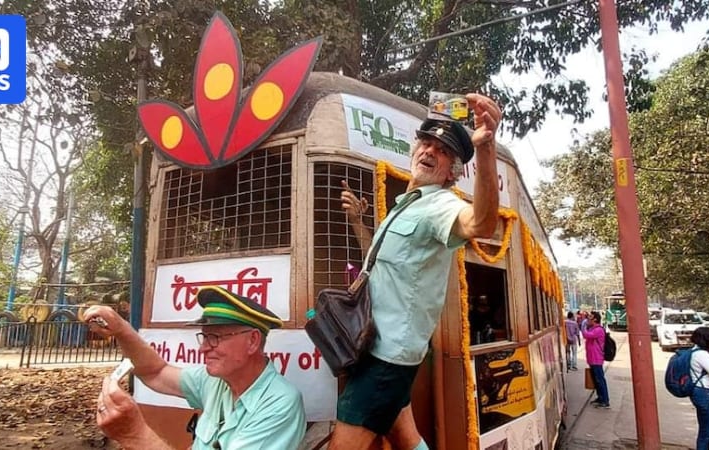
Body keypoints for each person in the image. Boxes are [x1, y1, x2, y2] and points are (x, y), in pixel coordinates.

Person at [335, 93, 502, 450]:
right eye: (425, 143)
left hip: (386, 357)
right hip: (377, 347)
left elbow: (482, 224)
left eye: (441, 151)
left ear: (452, 173)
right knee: (405, 437)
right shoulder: (405, 206)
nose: (428, 151)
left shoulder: (441, 204)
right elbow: (376, 265)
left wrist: (486, 149)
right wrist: (358, 223)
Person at [84, 286, 306, 450]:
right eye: (204, 337)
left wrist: (134, 434)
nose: (203, 349)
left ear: (253, 341)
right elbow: (156, 372)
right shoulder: (217, 380)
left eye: (215, 337)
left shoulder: (279, 404)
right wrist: (121, 329)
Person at [688, 327, 709, 450]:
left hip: (700, 393)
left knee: (705, 430)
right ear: (707, 338)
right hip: (706, 394)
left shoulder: (695, 352)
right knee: (707, 433)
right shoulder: (702, 354)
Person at [582, 311, 610, 408]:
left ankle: (605, 400)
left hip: (596, 359)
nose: (587, 320)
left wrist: (583, 326)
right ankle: (600, 397)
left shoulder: (598, 330)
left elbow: (586, 335)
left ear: (595, 319)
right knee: (596, 380)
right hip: (592, 358)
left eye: (590, 318)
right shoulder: (593, 328)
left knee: (600, 379)